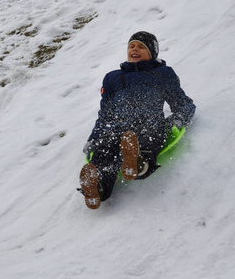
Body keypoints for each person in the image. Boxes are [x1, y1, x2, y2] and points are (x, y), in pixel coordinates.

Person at [78, 31, 196, 209]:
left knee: (148, 135)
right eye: (131, 46)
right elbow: (105, 113)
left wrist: (180, 117)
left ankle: (139, 163)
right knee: (105, 149)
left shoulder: (162, 73)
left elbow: (183, 103)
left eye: (141, 46)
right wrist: (94, 137)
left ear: (152, 52)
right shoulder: (113, 77)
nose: (135, 49)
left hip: (147, 121)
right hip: (117, 126)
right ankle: (98, 186)